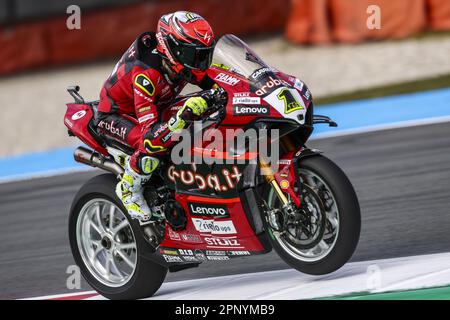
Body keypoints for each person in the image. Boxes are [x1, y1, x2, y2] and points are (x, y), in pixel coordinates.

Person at [95, 11, 218, 223]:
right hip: (116, 115)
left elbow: (217, 82)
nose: (201, 62)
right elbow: (150, 132)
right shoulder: (146, 74)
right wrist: (180, 117)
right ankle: (128, 188)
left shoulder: (181, 61)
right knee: (153, 144)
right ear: (173, 50)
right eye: (195, 56)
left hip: (159, 105)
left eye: (205, 54)